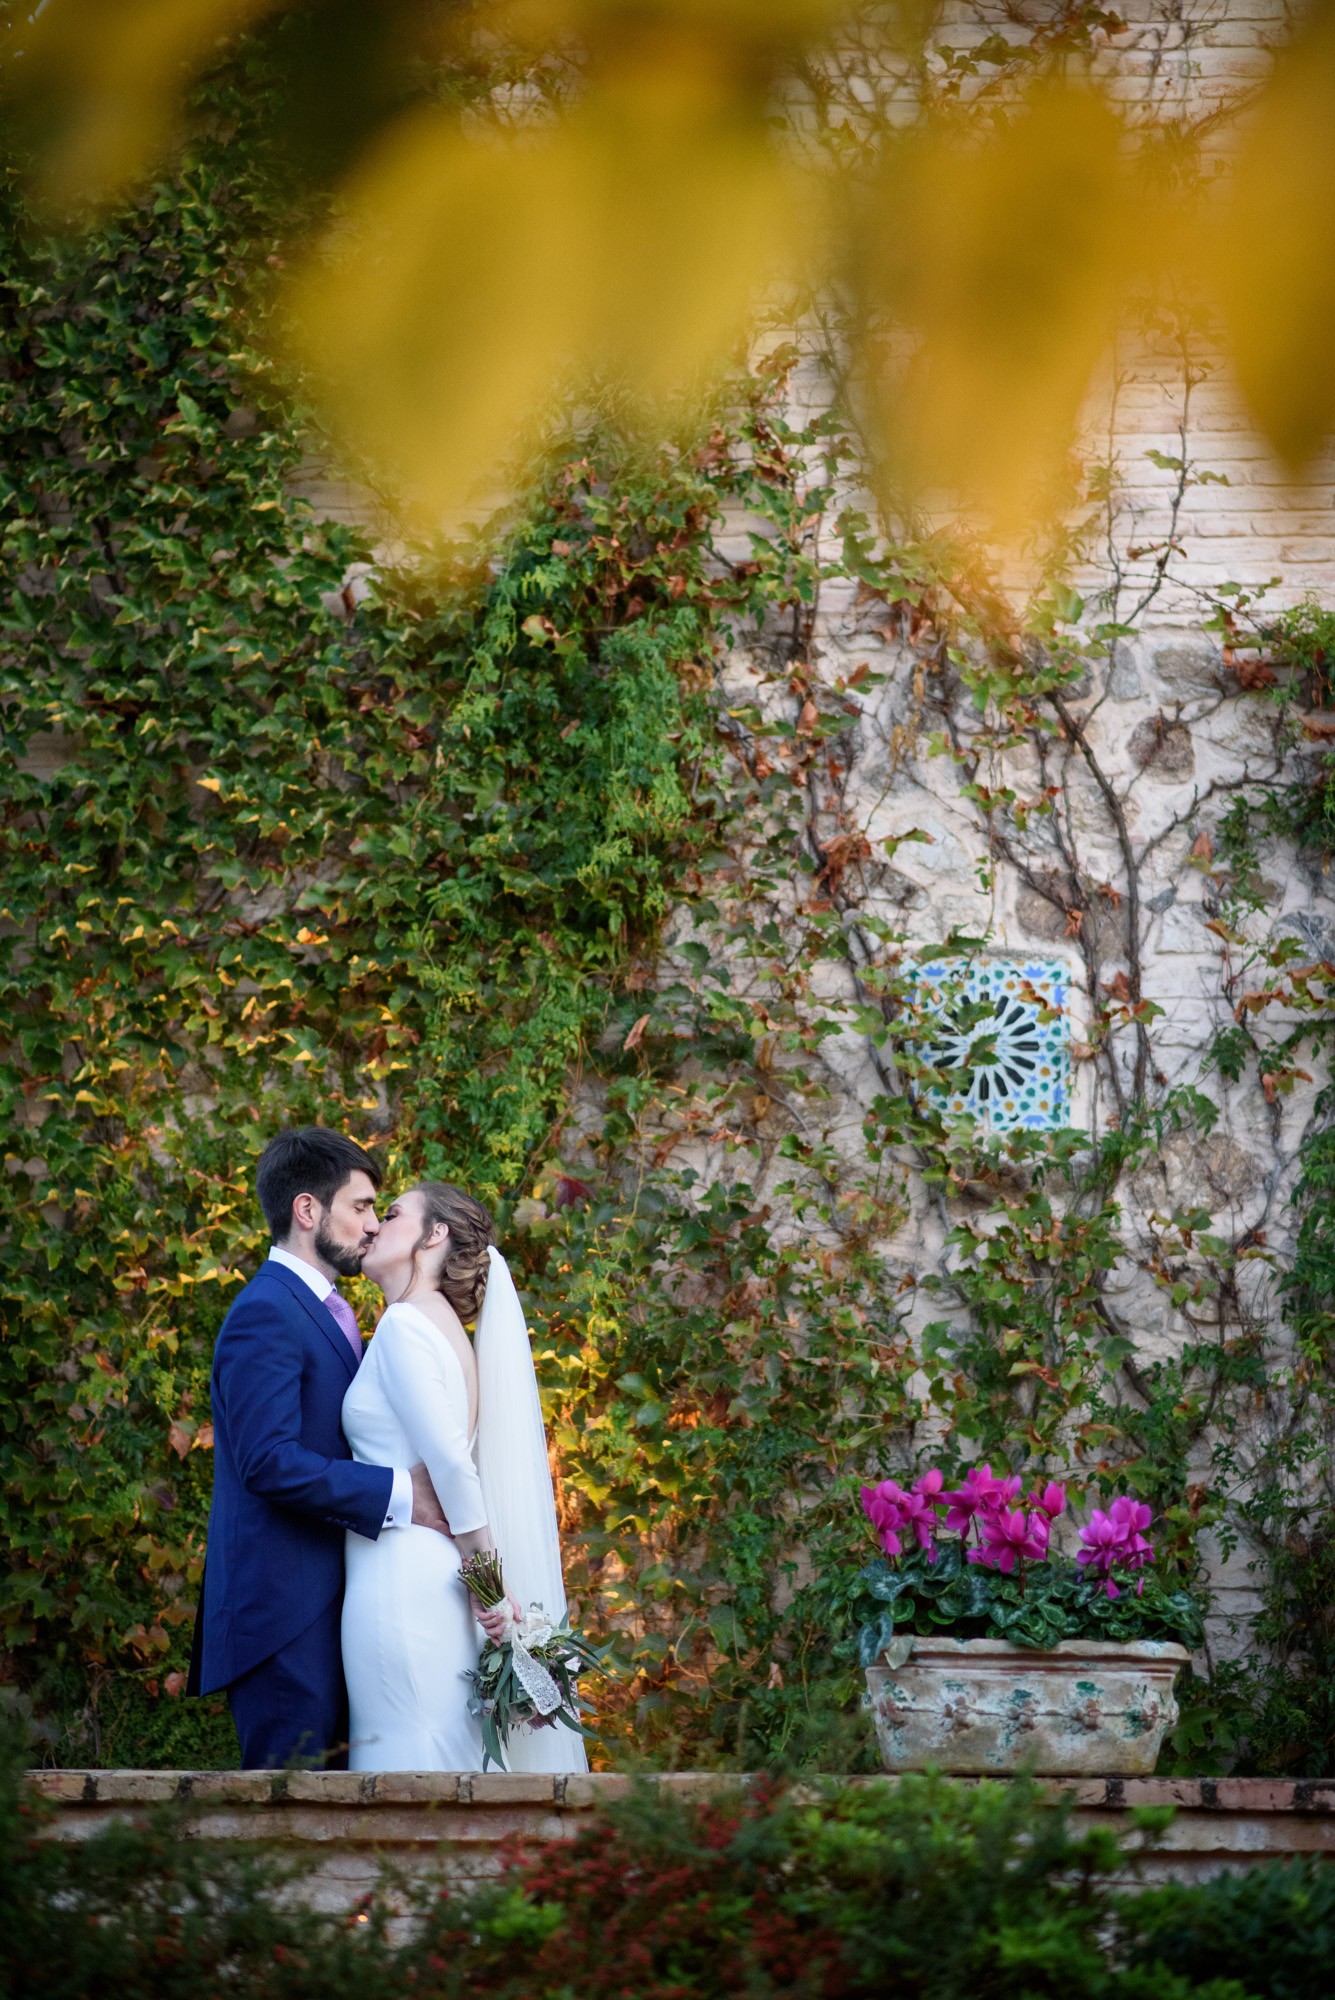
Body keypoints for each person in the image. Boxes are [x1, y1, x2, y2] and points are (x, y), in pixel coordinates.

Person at [187, 1128, 458, 1769]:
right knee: (293, 1834)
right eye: (361, 1207)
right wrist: (402, 1494)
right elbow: (267, 1461)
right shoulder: (266, 1313)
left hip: (333, 1604)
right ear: (307, 1211)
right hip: (284, 1617)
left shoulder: (329, 1310)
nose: (371, 1226)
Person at [342, 1181, 587, 1773]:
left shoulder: (405, 1325)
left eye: (392, 1214)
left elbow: (452, 1464)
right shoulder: (447, 1332)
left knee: (407, 1767)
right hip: (425, 1579)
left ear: (434, 1235)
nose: (375, 1225)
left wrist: (490, 1589)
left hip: (400, 1581)